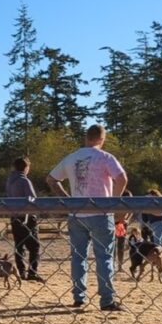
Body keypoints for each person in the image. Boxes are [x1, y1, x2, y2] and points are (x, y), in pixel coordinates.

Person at [46, 124, 128, 311]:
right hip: (100, 213)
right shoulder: (105, 157)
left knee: (78, 256)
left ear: (86, 137)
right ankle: (106, 300)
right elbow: (122, 178)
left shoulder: (71, 158)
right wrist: (113, 203)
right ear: (102, 139)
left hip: (76, 213)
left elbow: (51, 179)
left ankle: (79, 297)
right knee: (104, 257)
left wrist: (66, 199)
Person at [6, 157, 42, 282]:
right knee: (35, 246)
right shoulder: (24, 181)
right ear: (26, 167)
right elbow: (32, 198)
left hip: (15, 217)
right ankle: (32, 272)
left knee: (19, 245)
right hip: (27, 217)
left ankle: (21, 271)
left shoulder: (10, 181)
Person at [114, 190, 133, 272]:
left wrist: (127, 220)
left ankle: (120, 266)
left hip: (122, 225)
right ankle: (112, 264)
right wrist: (118, 219)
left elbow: (131, 212)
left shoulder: (128, 205)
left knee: (120, 245)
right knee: (113, 245)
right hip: (114, 223)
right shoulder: (116, 203)